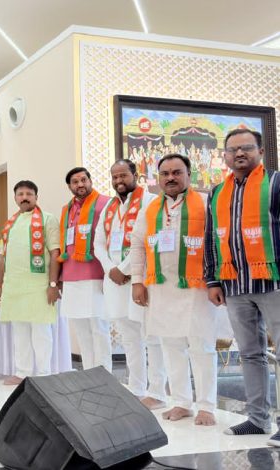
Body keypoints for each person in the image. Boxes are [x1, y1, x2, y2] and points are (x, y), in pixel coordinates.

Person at [131, 154, 219, 426]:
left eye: (177, 172)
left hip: (196, 287)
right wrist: (137, 281)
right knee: (170, 344)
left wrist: (217, 281)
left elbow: (217, 241)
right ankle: (181, 402)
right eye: (165, 173)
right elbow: (137, 244)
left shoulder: (205, 203)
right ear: (158, 178)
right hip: (160, 287)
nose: (170, 178)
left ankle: (206, 406)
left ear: (189, 175)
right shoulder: (150, 208)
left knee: (201, 346)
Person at [204, 129, 280, 441]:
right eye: (232, 149)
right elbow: (211, 238)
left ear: (260, 151)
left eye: (246, 147)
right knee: (250, 354)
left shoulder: (275, 184)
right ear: (224, 156)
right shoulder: (217, 192)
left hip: (273, 281)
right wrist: (213, 280)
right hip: (235, 284)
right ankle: (258, 420)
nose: (239, 153)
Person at [94, 160, 167, 409]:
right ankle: (136, 389)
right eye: (114, 177)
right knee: (129, 337)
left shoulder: (149, 201)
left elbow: (146, 240)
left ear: (136, 175)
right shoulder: (110, 206)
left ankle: (157, 392)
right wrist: (110, 269)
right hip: (115, 280)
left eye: (123, 175)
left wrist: (124, 269)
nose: (118, 181)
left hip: (139, 277)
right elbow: (98, 243)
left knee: (151, 335)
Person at [0, 181, 61, 385]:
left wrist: (53, 285)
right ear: (15, 198)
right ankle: (22, 372)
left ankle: (44, 374)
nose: (24, 197)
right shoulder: (10, 224)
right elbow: (3, 257)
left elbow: (55, 253)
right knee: (20, 332)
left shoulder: (48, 219)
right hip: (14, 286)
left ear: (36, 197)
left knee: (41, 331)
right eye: (20, 194)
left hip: (39, 286)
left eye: (29, 194)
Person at [58, 167, 112, 371]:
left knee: (99, 327)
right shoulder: (67, 209)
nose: (80, 184)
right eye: (75, 182)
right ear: (69, 186)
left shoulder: (106, 203)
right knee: (81, 329)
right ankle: (89, 372)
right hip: (70, 276)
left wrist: (109, 273)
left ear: (90, 181)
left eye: (83, 180)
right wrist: (60, 278)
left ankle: (104, 374)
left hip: (95, 274)